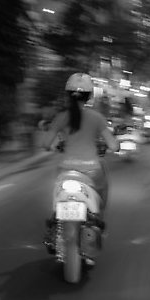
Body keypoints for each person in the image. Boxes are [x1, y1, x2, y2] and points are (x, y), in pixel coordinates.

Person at [43, 73, 119, 213]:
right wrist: (111, 148)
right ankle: (97, 220)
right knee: (102, 191)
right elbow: (113, 145)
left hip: (65, 170)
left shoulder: (60, 117)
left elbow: (46, 143)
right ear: (89, 96)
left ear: (68, 95)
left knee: (57, 192)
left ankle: (56, 218)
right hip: (92, 171)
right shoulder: (97, 117)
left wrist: (54, 146)